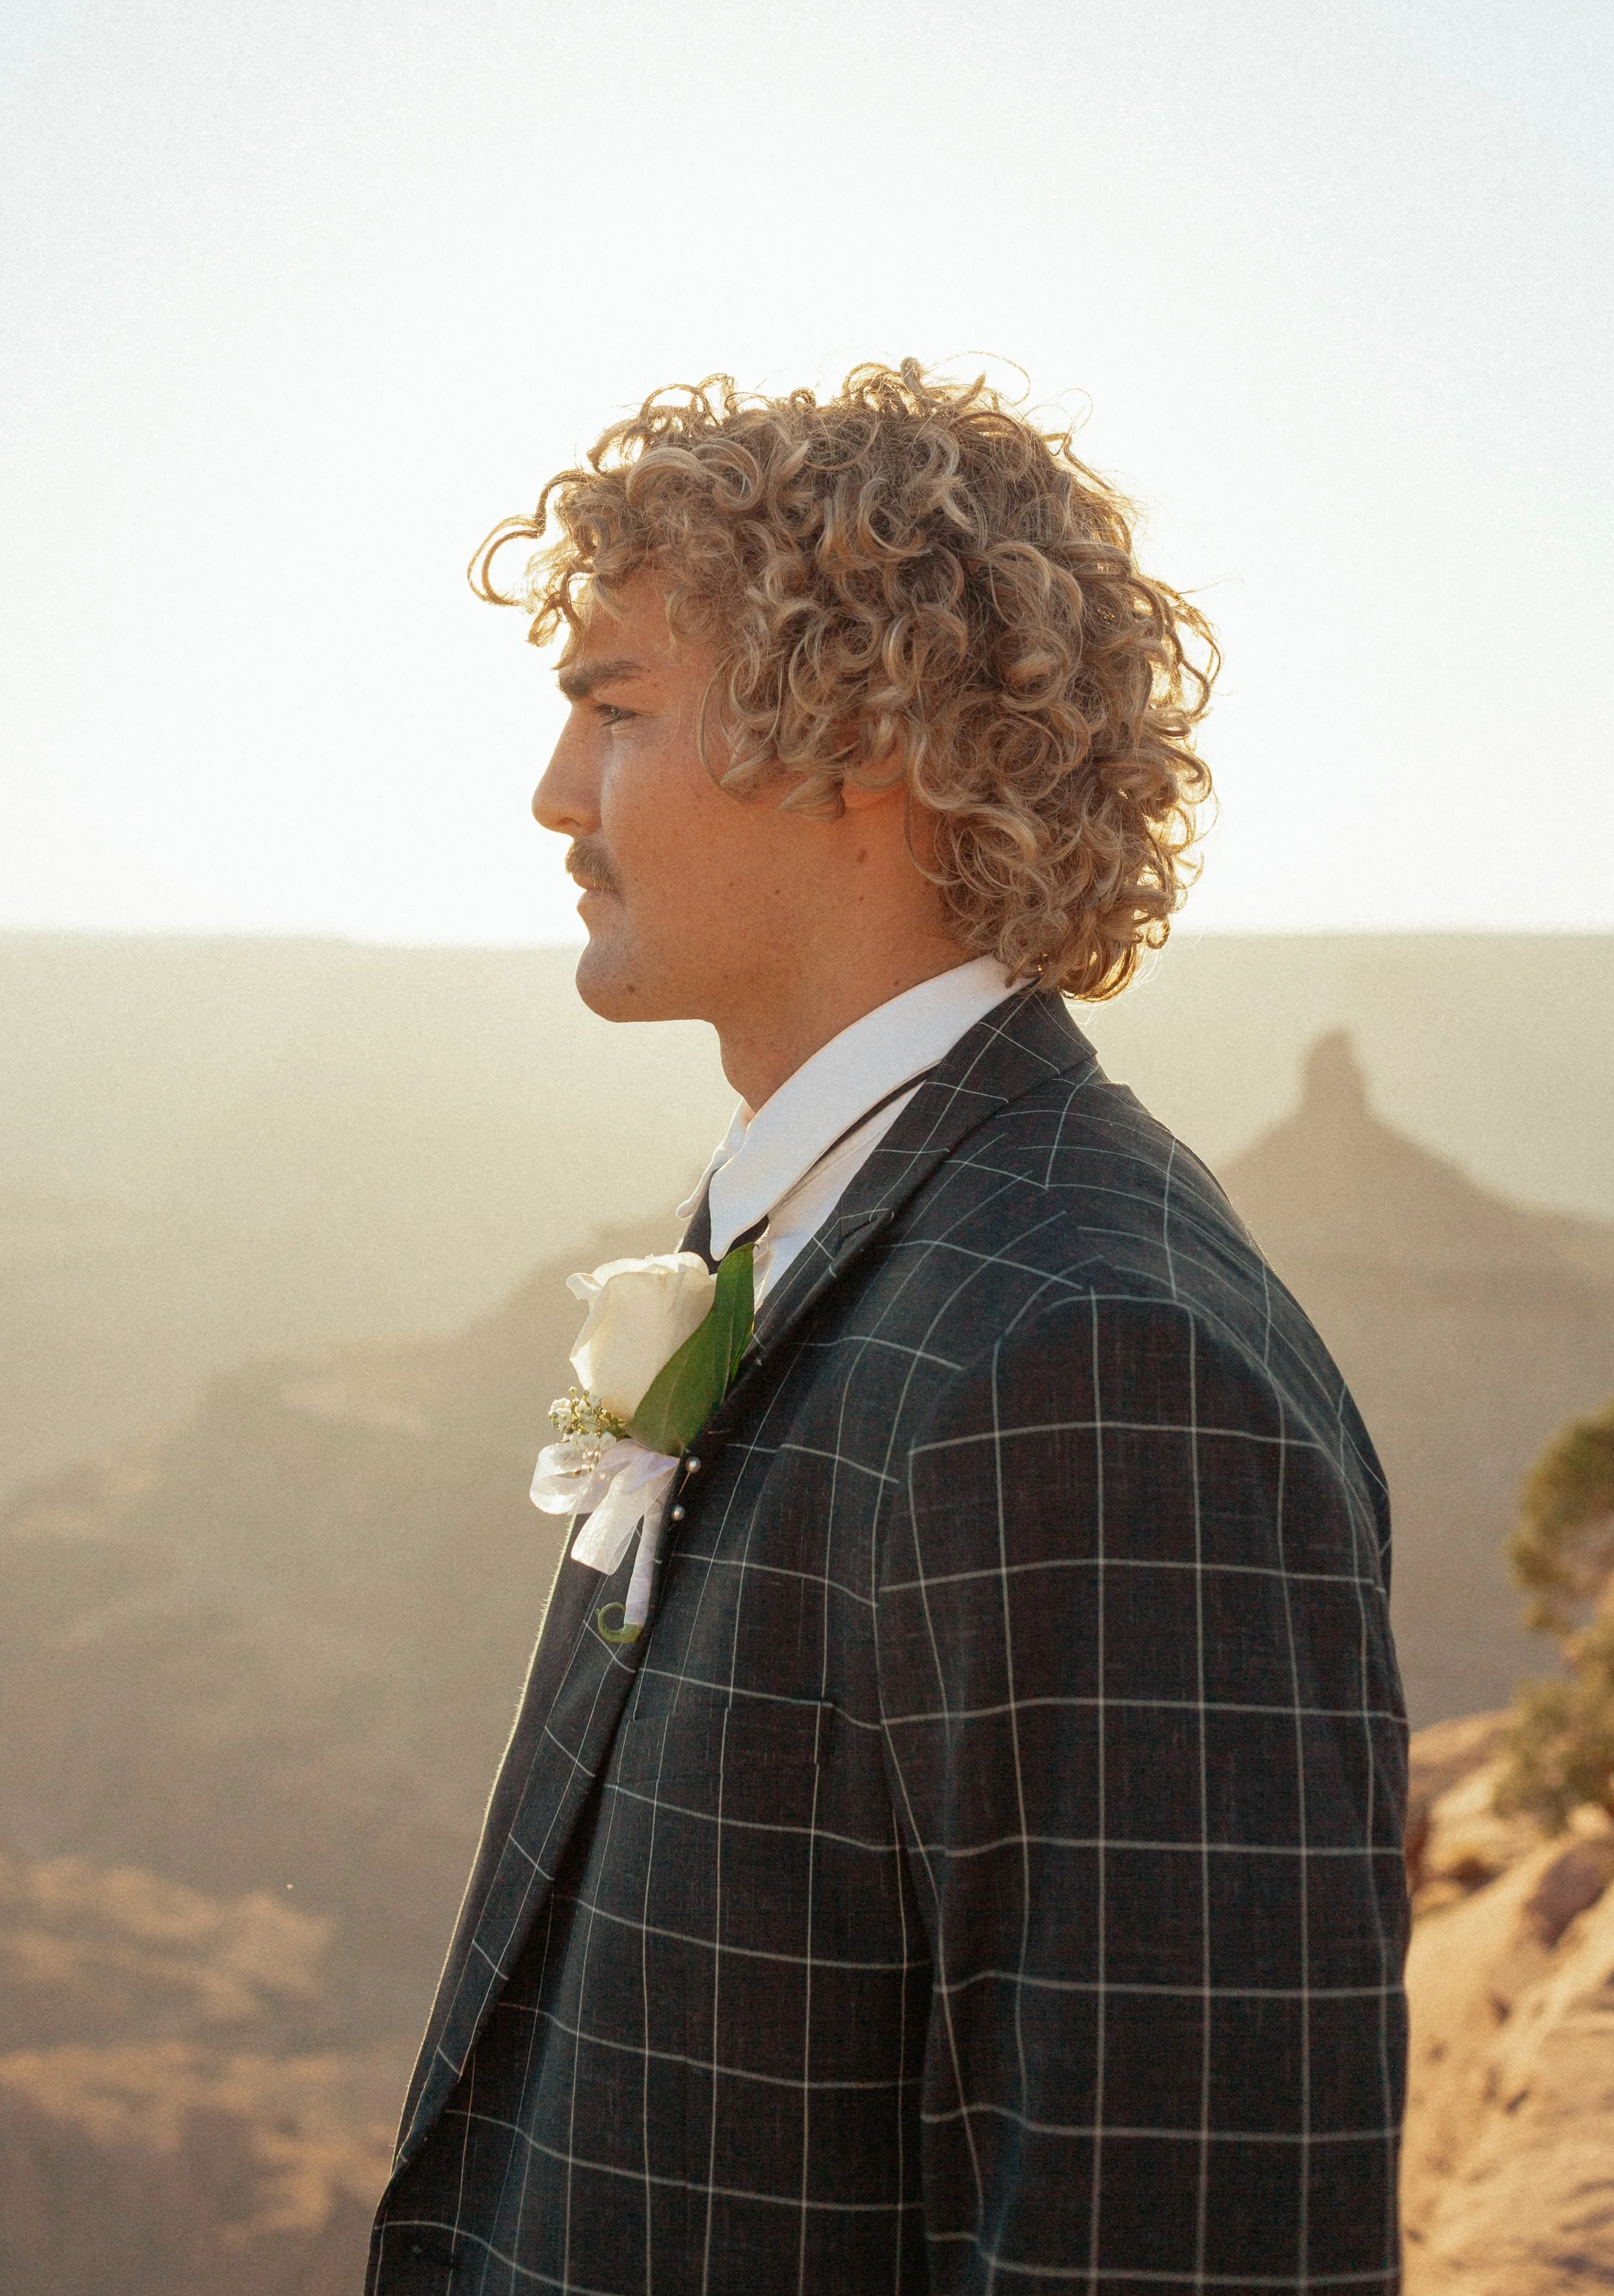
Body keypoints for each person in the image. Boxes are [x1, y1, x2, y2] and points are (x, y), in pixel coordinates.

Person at [367, 363, 1408, 2294]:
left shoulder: (1090, 1361)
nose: (549, 791)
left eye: (612, 708)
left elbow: (1168, 2235)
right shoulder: (846, 1236)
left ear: (861, 735)